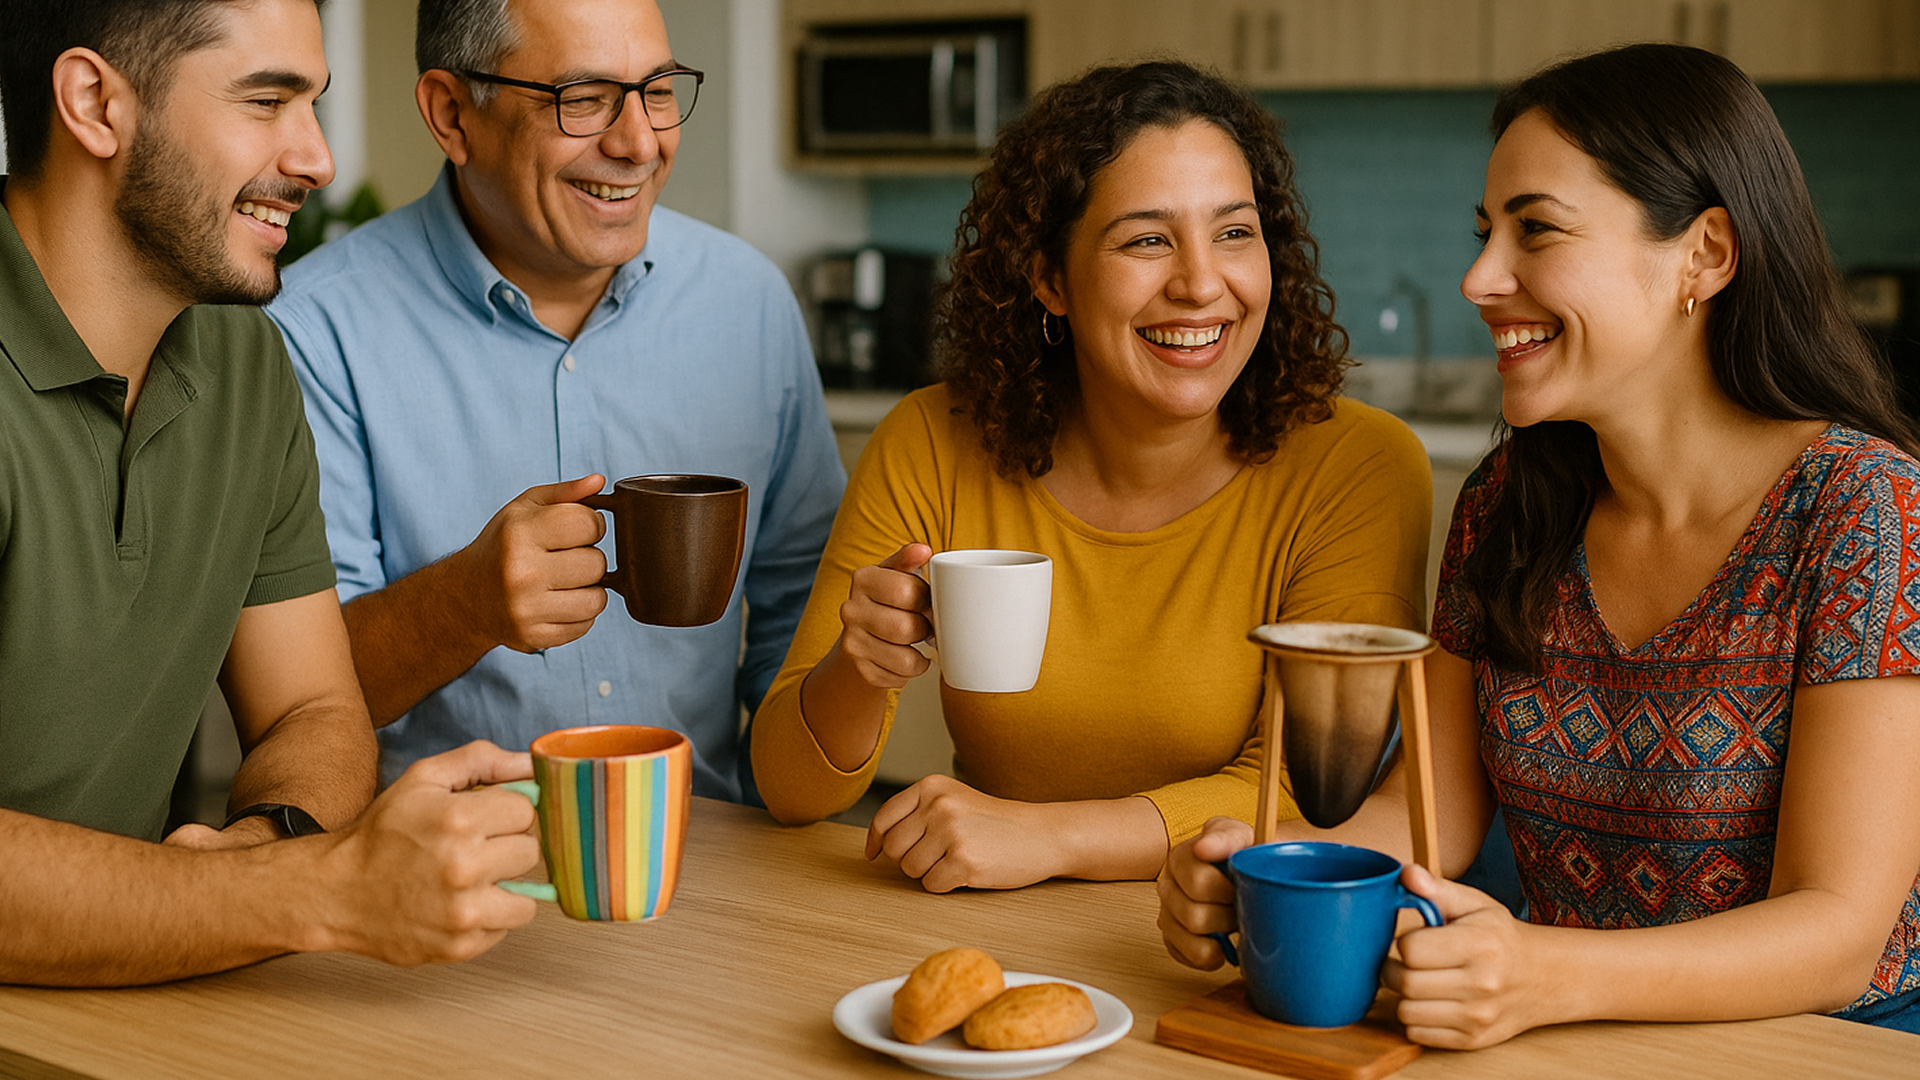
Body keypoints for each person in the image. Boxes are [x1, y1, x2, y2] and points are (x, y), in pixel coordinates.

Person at [1158, 42, 1920, 1044]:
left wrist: (1545, 972)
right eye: (1485, 233)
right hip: (1560, 1034)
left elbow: (1836, 935)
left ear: (1706, 254)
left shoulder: (1865, 511)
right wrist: (1263, 869)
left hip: (1825, 1045)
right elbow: (1427, 816)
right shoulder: (1507, 504)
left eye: (1537, 231)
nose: (1480, 278)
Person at [751, 61, 1432, 893]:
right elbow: (791, 793)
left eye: (1234, 232)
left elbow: (1303, 791)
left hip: (1223, 927)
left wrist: (1053, 838)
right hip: (991, 918)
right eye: (1146, 239)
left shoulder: (1357, 466)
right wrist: (856, 669)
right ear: (1050, 278)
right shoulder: (933, 440)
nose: (1200, 284)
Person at [0, 0, 545, 986]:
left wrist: (268, 845)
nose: (318, 159)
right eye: (267, 100)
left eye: (315, 104)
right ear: (93, 103)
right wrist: (309, 891)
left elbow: (314, 712)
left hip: (121, 1011)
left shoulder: (243, 358)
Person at [267, 0, 844, 801]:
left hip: (708, 868)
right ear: (451, 114)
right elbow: (293, 702)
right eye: (584, 98)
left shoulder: (748, 302)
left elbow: (801, 622)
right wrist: (463, 607)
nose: (639, 142)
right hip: (446, 886)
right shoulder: (311, 332)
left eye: (658, 89)